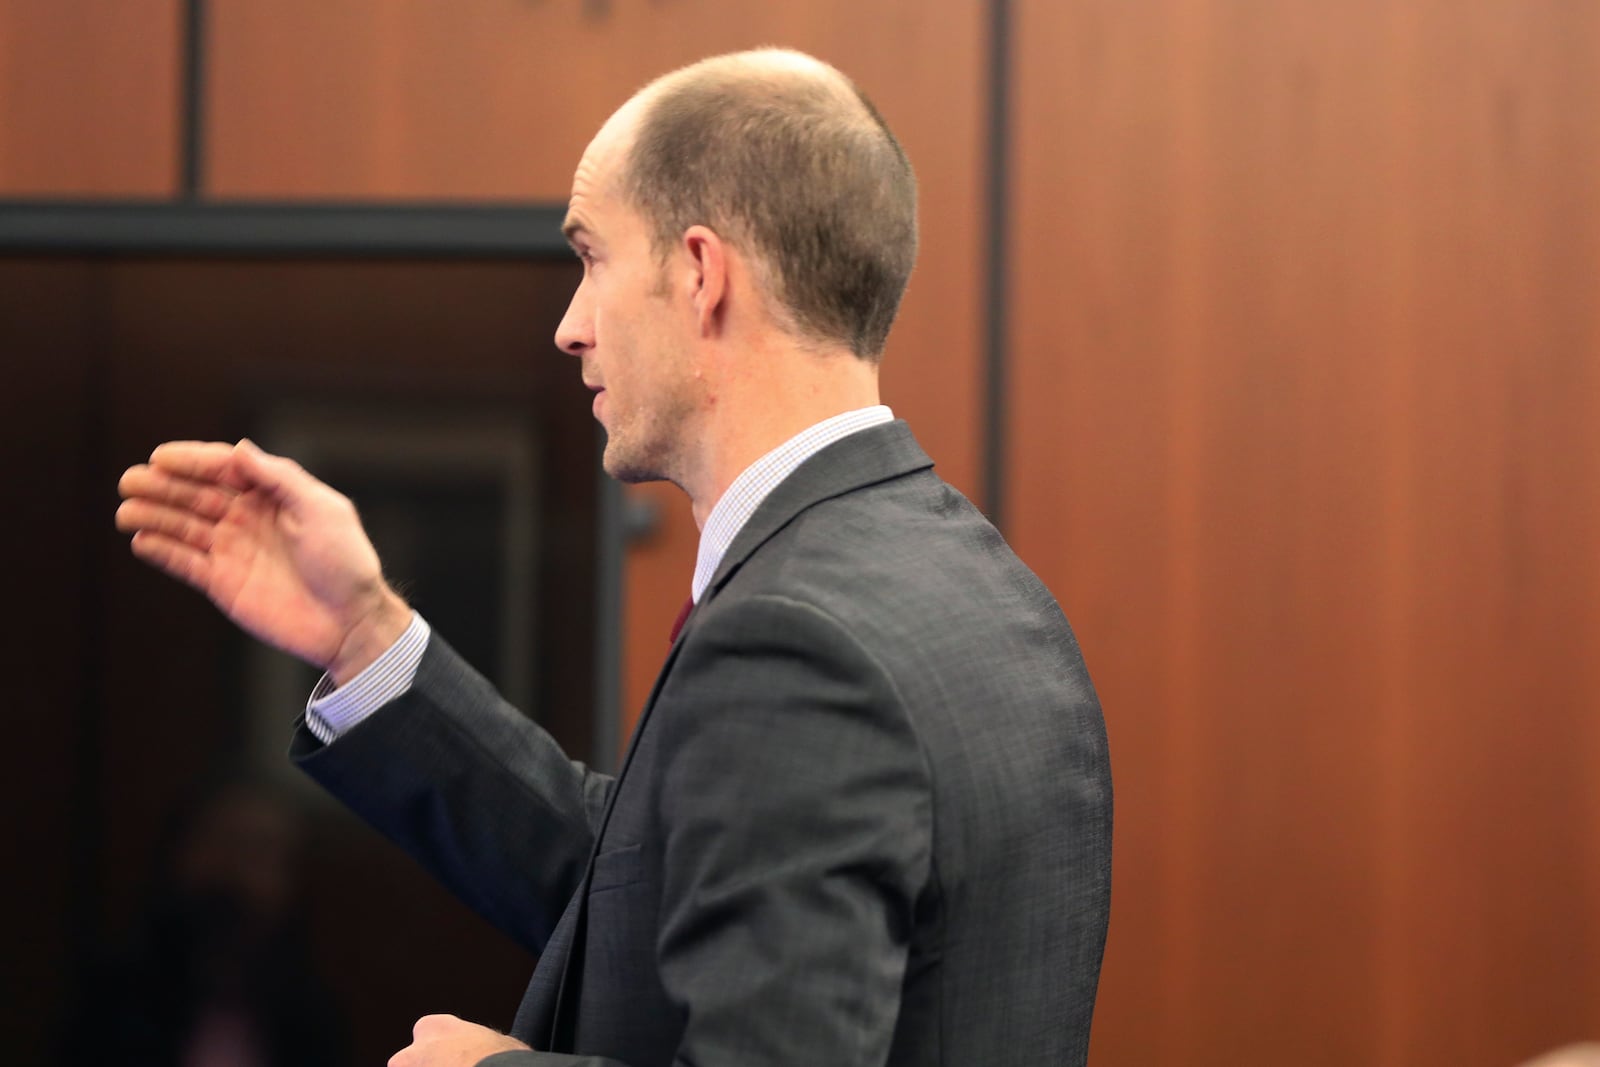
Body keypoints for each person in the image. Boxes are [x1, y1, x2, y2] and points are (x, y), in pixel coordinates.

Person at [117, 48, 1112, 1067]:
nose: (568, 327)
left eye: (590, 257)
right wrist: (364, 633)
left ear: (697, 273)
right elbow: (653, 885)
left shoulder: (797, 642)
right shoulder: (989, 594)